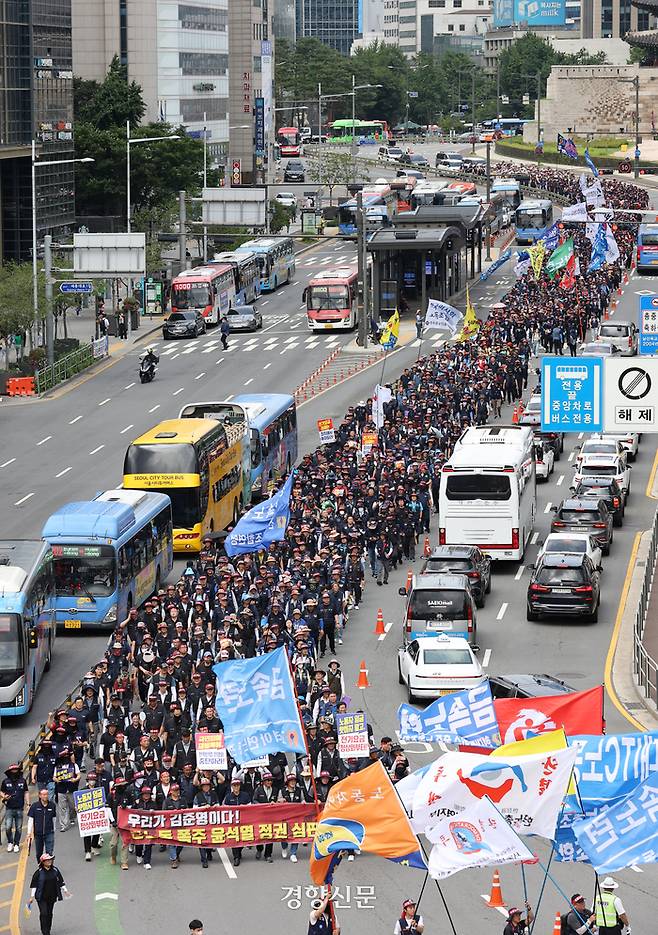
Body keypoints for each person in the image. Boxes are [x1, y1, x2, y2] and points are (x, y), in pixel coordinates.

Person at [28, 853, 69, 935]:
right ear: (43, 862)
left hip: (52, 896)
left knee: (49, 914)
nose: (50, 861)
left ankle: (48, 930)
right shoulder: (38, 873)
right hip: (41, 897)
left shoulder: (55, 870)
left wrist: (65, 890)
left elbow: (61, 881)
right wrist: (32, 896)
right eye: (47, 860)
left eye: (50, 859)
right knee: (44, 913)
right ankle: (44, 931)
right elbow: (34, 885)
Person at [1, 764, 29, 852]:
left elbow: (26, 792)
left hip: (20, 808)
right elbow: (1, 791)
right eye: (13, 770)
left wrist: (28, 804)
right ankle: (10, 842)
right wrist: (4, 796)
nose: (14, 771)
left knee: (19, 827)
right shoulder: (5, 781)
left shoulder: (23, 781)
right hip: (9, 808)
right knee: (8, 827)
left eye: (16, 770)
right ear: (9, 772)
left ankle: (16, 844)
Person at [26, 789, 57, 862]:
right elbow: (31, 819)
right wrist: (29, 832)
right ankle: (40, 867)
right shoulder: (35, 806)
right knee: (39, 853)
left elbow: (54, 818)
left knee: (49, 853)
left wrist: (54, 829)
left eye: (46, 794)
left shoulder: (52, 805)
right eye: (43, 794)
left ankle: (49, 869)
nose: (45, 796)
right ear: (40, 795)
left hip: (49, 832)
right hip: (38, 833)